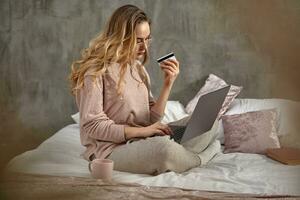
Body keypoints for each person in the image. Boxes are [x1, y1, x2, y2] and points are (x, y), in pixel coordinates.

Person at [69, 4, 220, 175]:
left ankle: (179, 156)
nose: (145, 47)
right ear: (120, 37)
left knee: (208, 120)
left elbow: (150, 119)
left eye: (147, 39)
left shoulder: (138, 69)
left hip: (145, 138)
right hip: (112, 149)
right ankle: (201, 156)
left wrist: (168, 83)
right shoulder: (95, 72)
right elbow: (93, 126)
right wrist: (143, 132)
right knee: (164, 149)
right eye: (138, 40)